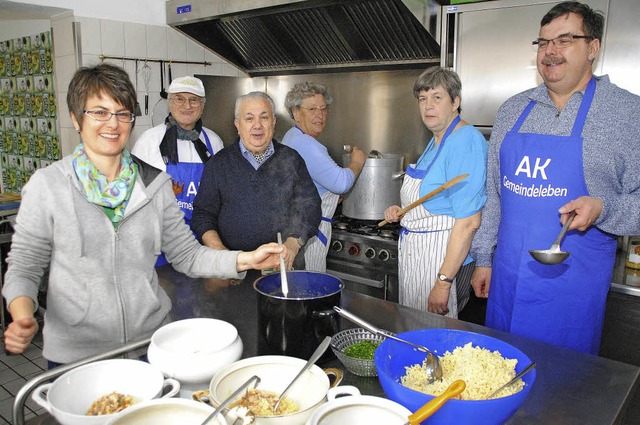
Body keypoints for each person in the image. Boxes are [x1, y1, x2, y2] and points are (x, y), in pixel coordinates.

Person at [2, 64, 284, 365]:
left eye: (122, 113)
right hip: (78, 353)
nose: (112, 123)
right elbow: (24, 265)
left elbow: (188, 255)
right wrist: (22, 315)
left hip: (149, 345)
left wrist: (244, 259)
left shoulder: (153, 183)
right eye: (99, 112)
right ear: (75, 118)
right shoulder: (49, 185)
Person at [470, 1, 640, 354]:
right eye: (543, 42)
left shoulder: (627, 114)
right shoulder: (512, 110)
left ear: (592, 47)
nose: (550, 52)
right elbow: (495, 193)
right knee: (500, 376)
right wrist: (483, 258)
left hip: (573, 292)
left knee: (561, 393)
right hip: (508, 282)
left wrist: (604, 208)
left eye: (564, 40)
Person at [383, 67, 487, 318]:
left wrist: (443, 282)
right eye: (422, 99)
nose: (428, 106)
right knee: (415, 331)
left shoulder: (466, 141)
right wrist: (403, 212)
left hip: (441, 261)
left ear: (456, 102)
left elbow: (469, 222)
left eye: (437, 97)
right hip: (418, 256)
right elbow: (434, 199)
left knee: (437, 338)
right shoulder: (437, 139)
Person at [191, 91, 322, 270]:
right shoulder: (219, 164)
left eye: (264, 117)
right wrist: (221, 254)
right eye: (249, 118)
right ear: (238, 125)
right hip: (236, 270)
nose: (257, 125)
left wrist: (294, 242)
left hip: (282, 266)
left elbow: (310, 206)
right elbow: (202, 215)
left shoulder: (291, 159)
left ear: (273, 123)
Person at [132, 75, 223, 265]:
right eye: (179, 99)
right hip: (160, 247)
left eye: (193, 100)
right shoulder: (148, 141)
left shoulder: (214, 142)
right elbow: (134, 197)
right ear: (170, 104)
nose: (187, 106)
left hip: (202, 243)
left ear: (202, 105)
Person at [281, 82, 366, 272]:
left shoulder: (292, 136)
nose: (319, 115)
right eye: (311, 109)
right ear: (295, 113)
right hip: (310, 232)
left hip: (298, 228)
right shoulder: (306, 144)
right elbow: (341, 182)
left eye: (323, 109)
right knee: (310, 289)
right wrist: (357, 162)